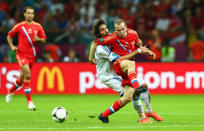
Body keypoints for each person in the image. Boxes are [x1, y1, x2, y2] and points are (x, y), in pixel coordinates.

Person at [89, 20, 163, 123]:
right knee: (130, 94)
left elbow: (134, 44)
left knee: (144, 85)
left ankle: (148, 111)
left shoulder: (114, 37)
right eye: (102, 30)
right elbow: (118, 58)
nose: (106, 31)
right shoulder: (101, 48)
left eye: (106, 28)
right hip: (108, 75)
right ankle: (142, 117)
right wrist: (90, 58)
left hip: (118, 71)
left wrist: (142, 47)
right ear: (98, 33)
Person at [6, 6, 46, 110]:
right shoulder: (19, 26)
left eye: (32, 13)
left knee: (21, 79)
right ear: (24, 14)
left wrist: (39, 39)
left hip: (32, 56)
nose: (30, 15)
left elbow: (44, 40)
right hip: (21, 54)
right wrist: (12, 46)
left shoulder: (38, 26)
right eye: (28, 13)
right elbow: (9, 35)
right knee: (28, 74)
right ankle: (29, 101)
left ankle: (10, 90)